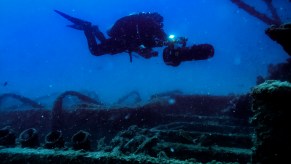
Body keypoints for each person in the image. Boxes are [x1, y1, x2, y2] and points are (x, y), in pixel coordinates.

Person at [55, 10, 214, 66]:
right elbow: (156, 41)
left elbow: (147, 44)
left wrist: (146, 51)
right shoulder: (154, 29)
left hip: (125, 40)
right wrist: (173, 43)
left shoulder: (151, 30)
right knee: (95, 51)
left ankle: (93, 29)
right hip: (125, 40)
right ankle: (87, 27)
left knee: (105, 46)